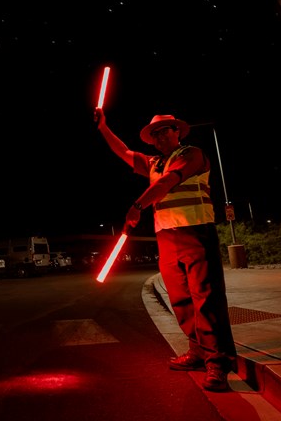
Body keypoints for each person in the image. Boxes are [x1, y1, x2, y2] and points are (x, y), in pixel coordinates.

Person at [93, 107, 237, 392]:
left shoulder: (191, 155)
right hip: (167, 238)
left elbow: (170, 181)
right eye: (154, 134)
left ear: (177, 132)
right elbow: (123, 152)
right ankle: (197, 352)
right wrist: (103, 128)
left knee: (205, 297)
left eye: (164, 131)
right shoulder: (153, 163)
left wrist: (137, 206)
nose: (159, 137)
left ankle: (217, 363)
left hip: (196, 234)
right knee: (181, 299)